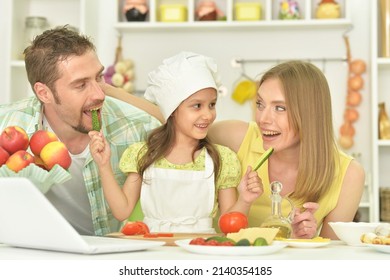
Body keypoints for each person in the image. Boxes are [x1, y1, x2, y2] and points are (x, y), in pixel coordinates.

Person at [0, 26, 162, 236]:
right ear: (44, 93)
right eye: (80, 85)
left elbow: (196, 132)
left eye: (98, 78)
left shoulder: (137, 127)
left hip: (109, 257)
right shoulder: (6, 126)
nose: (99, 94)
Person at [89, 51, 262, 233]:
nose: (208, 115)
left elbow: (229, 228)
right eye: (197, 106)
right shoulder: (144, 154)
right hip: (154, 250)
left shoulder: (221, 159)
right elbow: (122, 211)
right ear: (172, 109)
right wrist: (103, 166)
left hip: (198, 250)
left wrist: (245, 200)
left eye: (212, 104)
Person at [209, 60, 365, 239]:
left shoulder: (349, 175)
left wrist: (303, 239)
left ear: (310, 114)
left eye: (280, 108)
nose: (263, 119)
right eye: (260, 104)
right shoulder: (235, 137)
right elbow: (176, 135)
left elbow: (331, 256)